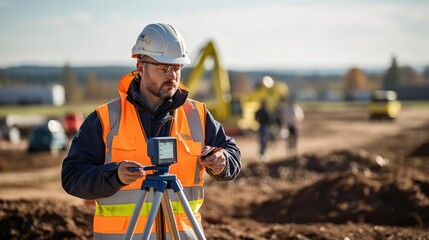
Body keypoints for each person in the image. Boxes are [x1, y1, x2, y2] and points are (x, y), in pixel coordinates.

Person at [61, 23, 241, 240]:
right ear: (140, 66)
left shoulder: (197, 115)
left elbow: (232, 154)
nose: (172, 76)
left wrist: (222, 161)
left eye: (176, 68)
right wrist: (114, 176)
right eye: (163, 68)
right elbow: (72, 177)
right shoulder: (106, 118)